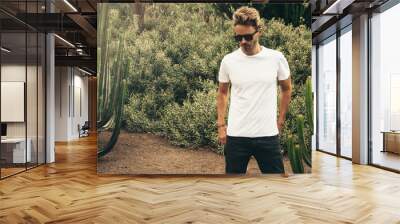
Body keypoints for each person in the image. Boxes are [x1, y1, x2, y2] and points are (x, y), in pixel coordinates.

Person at [216, 6, 292, 174]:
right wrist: (221, 125)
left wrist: (280, 121)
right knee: (233, 188)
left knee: (276, 185)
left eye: (248, 36)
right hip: (236, 136)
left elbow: (286, 89)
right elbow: (222, 92)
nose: (243, 41)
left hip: (267, 135)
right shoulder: (229, 60)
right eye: (238, 37)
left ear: (259, 32)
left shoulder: (276, 58)